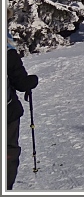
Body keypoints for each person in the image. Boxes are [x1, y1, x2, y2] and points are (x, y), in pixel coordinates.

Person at [7, 33, 39, 190]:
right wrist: (32, 81)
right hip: (7, 114)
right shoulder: (7, 49)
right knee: (8, 151)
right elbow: (21, 82)